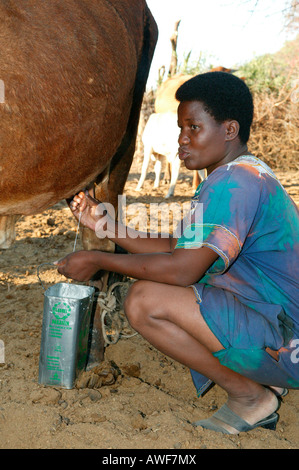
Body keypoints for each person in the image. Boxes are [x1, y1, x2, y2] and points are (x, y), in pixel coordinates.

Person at [56, 72, 299, 434]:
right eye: (180, 128)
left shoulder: (235, 183)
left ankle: (251, 395)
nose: (181, 140)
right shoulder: (239, 174)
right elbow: (179, 247)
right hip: (275, 321)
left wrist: (97, 260)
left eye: (193, 128)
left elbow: (183, 269)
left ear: (229, 130)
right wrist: (105, 227)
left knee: (144, 301)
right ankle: (263, 374)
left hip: (288, 343)